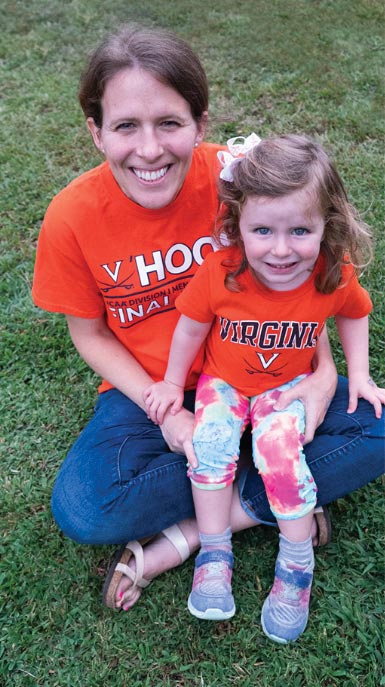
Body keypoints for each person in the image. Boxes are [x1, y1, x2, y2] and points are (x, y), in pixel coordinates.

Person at [31, 24, 384, 626]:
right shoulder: (71, 218)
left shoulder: (238, 180)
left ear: (200, 121)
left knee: (379, 426)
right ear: (96, 132)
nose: (149, 150)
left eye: (169, 123)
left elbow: (309, 278)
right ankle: (282, 493)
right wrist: (167, 408)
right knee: (88, 508)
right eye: (124, 127)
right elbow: (89, 333)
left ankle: (200, 530)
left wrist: (326, 375)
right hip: (154, 385)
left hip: (275, 373)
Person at [143, 133, 385, 642]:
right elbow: (189, 327)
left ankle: (297, 566)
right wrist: (170, 383)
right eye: (262, 231)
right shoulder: (223, 271)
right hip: (225, 383)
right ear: (238, 227)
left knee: (278, 448)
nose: (280, 250)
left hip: (291, 386)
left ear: (328, 226)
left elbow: (355, 314)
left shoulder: (330, 273)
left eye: (300, 230)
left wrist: (357, 375)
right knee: (208, 442)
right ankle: (213, 550)